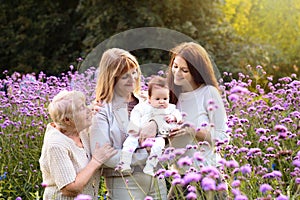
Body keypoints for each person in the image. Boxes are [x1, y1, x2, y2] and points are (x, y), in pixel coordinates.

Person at [90, 48, 167, 200]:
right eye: (125, 76)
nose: (132, 79)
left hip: (156, 179)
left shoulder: (148, 100)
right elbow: (105, 156)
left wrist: (155, 124)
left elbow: (170, 126)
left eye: (134, 72)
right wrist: (145, 156)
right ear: (112, 78)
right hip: (123, 182)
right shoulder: (101, 111)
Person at [39, 90, 117, 200]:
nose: (88, 110)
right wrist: (96, 161)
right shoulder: (56, 145)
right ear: (67, 120)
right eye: (82, 108)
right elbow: (70, 189)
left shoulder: (79, 130)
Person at [120, 76, 183, 176]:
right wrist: (137, 128)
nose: (162, 102)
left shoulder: (170, 108)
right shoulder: (143, 107)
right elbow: (135, 115)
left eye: (165, 98)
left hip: (158, 136)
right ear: (149, 99)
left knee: (159, 146)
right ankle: (124, 163)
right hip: (139, 134)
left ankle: (150, 166)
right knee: (129, 143)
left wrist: (174, 117)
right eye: (157, 99)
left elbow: (178, 114)